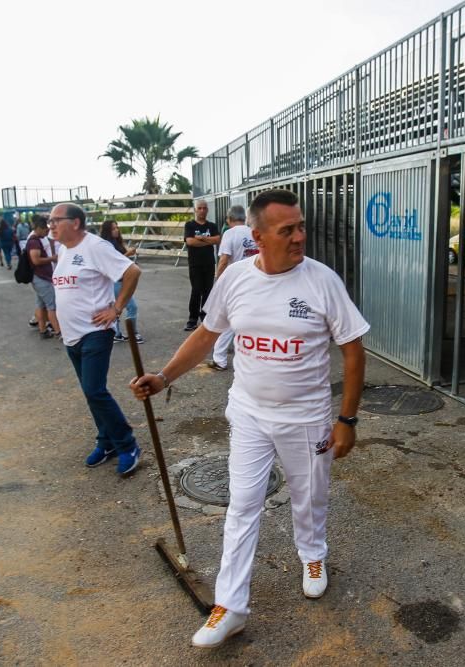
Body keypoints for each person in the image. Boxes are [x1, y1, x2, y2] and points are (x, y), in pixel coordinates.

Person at [130, 189, 369, 649]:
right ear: (257, 237)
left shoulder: (322, 282)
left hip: (307, 418)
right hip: (249, 414)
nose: (300, 236)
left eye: (301, 226)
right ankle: (231, 606)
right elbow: (207, 334)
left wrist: (347, 419)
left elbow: (353, 349)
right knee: (241, 506)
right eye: (288, 230)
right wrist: (163, 376)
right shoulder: (237, 278)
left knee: (309, 495)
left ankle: (312, 555)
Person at [49, 202, 143, 472]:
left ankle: (127, 444)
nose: (51, 225)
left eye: (56, 220)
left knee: (95, 390)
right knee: (91, 394)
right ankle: (107, 441)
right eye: (50, 221)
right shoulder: (64, 250)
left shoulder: (96, 247)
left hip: (95, 333)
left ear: (75, 222)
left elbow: (132, 272)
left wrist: (116, 309)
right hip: (72, 336)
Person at [206, 204, 258, 371]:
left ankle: (219, 359)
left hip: (236, 283)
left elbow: (223, 260)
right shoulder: (254, 232)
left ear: (229, 220)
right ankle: (254, 356)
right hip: (256, 280)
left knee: (227, 320)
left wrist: (218, 281)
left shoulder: (229, 234)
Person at [99, 220, 144, 344]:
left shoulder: (115, 243)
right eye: (113, 228)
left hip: (119, 279)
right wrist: (128, 253)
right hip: (116, 280)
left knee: (117, 307)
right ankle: (132, 333)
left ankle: (117, 333)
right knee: (132, 307)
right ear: (108, 230)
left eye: (117, 228)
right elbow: (115, 262)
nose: (116, 230)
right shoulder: (107, 245)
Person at [183, 200, 220, 331]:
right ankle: (192, 319)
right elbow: (190, 242)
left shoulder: (212, 226)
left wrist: (201, 238)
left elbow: (217, 240)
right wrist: (208, 241)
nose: (202, 210)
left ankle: (205, 317)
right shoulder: (190, 225)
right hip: (195, 264)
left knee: (208, 291)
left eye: (204, 208)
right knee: (196, 290)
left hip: (209, 263)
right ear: (195, 210)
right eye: (200, 208)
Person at [26, 215, 62, 339]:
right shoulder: (34, 241)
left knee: (41, 305)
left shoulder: (34, 240)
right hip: (41, 277)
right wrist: (52, 258)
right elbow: (36, 260)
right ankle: (58, 331)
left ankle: (43, 329)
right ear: (39, 228)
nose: (47, 232)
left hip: (39, 277)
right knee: (52, 306)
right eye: (45, 229)